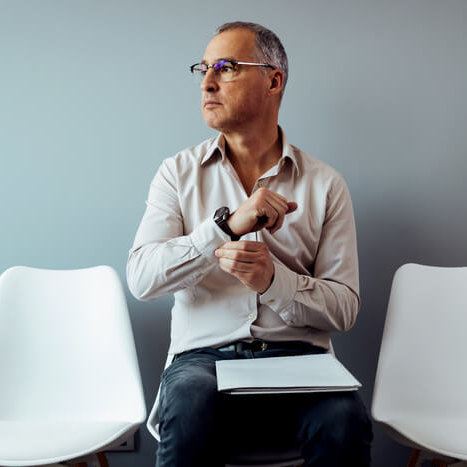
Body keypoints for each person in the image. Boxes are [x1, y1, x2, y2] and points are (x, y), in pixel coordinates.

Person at [126, 22, 373, 467]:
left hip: (301, 360)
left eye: (226, 67)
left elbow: (344, 308)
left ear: (274, 80)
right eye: (203, 69)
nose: (207, 81)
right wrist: (224, 228)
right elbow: (142, 278)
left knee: (345, 418)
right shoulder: (176, 174)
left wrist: (274, 280)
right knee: (186, 400)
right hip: (202, 361)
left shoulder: (325, 185)